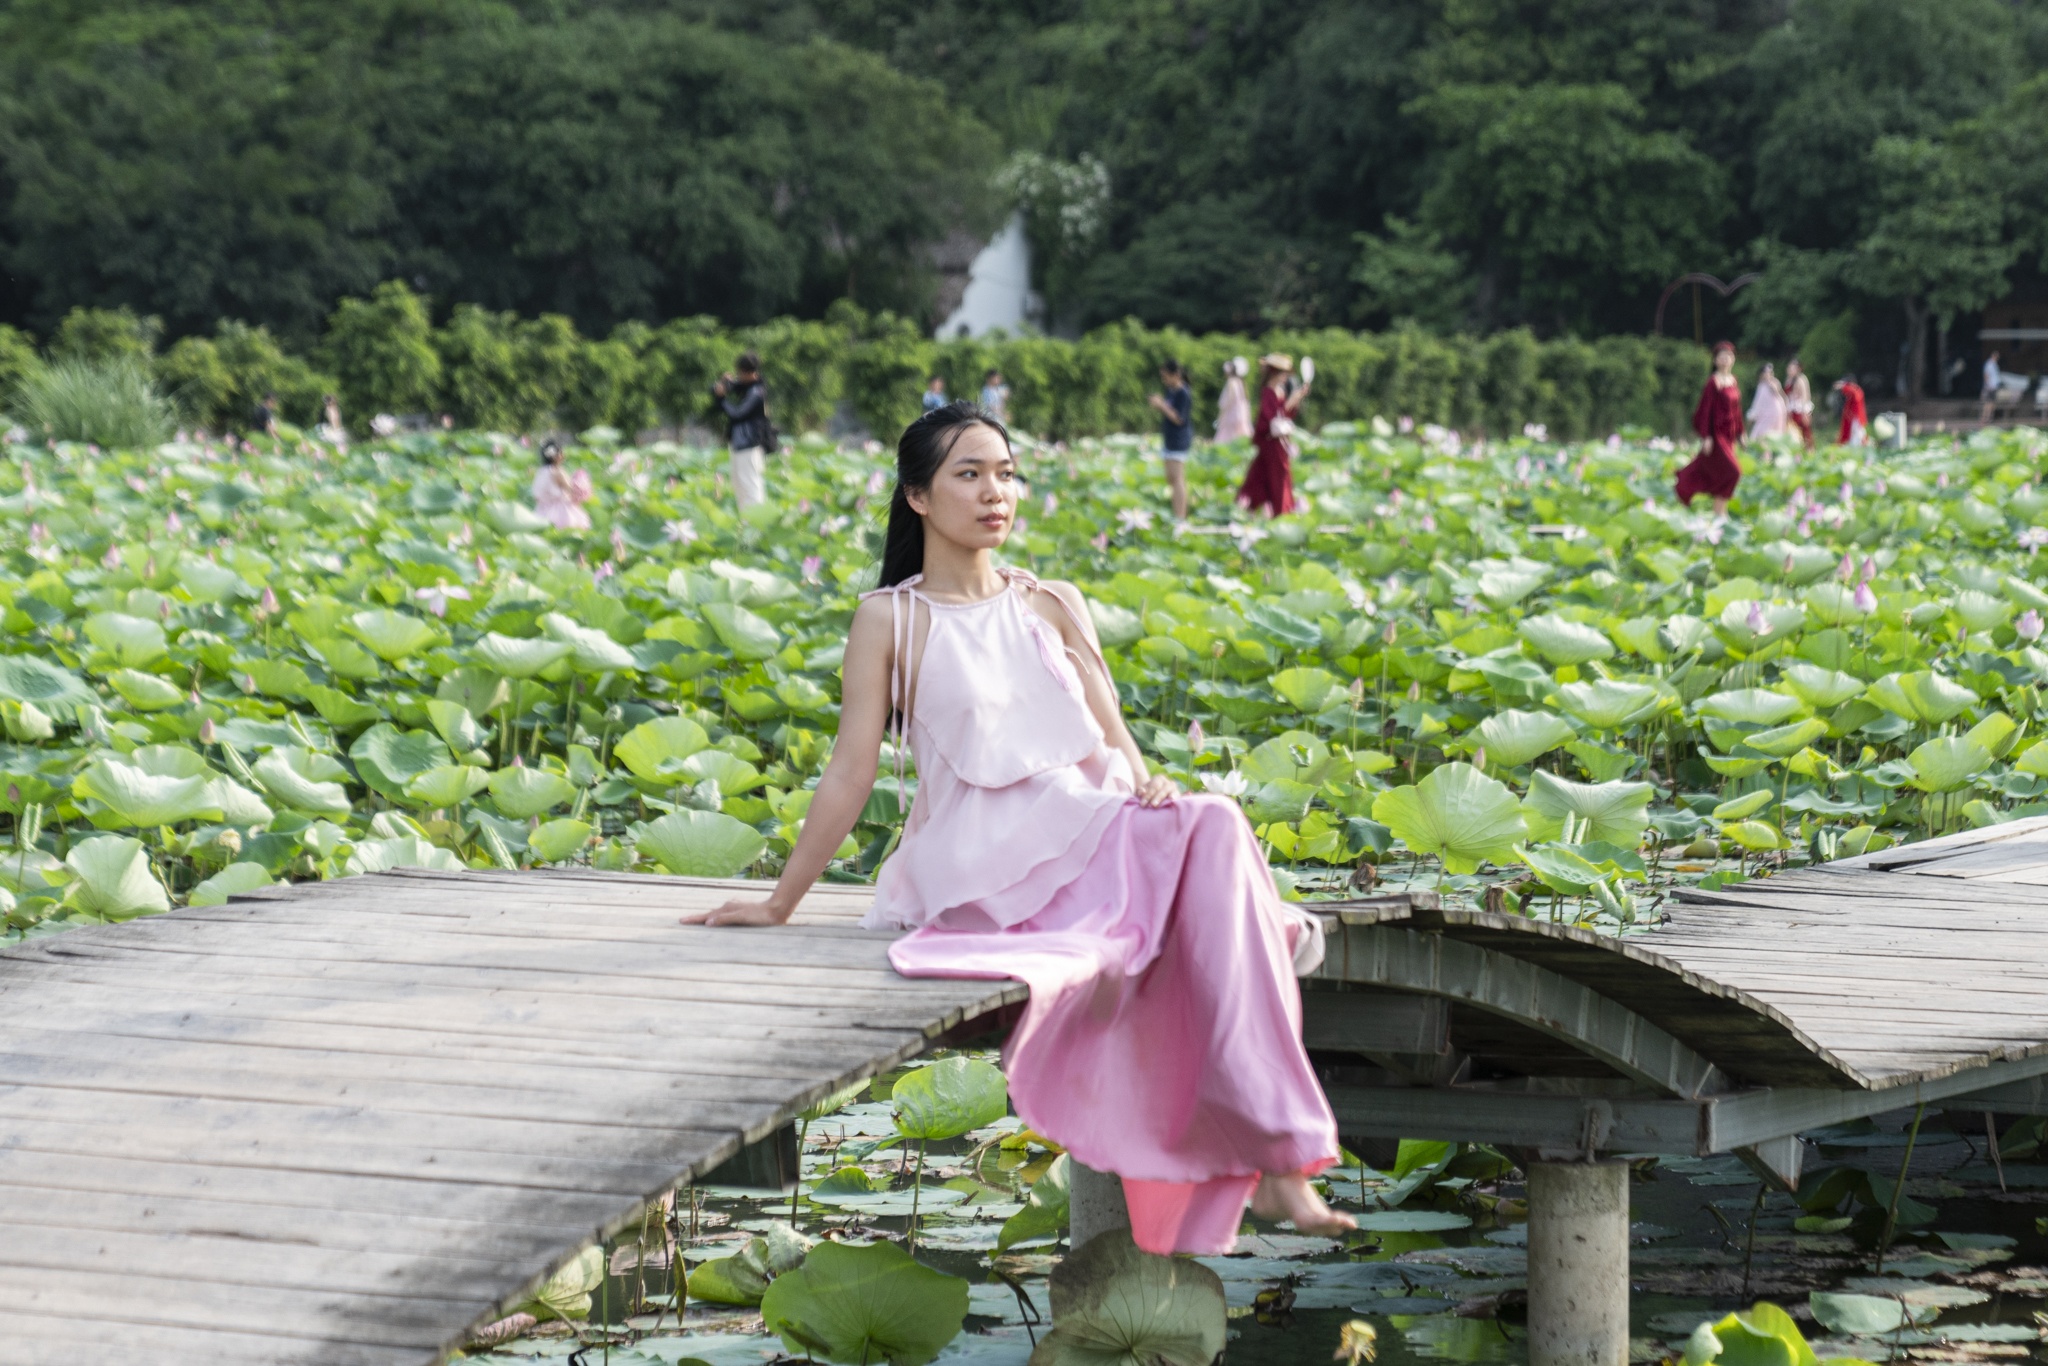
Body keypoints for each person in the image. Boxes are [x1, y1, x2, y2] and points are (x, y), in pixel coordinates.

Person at [680, 404, 1354, 1254]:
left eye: (1005, 472)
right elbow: (851, 772)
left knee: (1210, 823)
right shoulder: (892, 618)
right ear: (918, 497)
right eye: (969, 474)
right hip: (986, 860)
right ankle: (1277, 1157)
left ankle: (1279, 1156)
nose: (995, 492)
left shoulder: (1053, 602)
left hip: (1094, 824)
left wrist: (1152, 787)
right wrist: (781, 903)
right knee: (1222, 858)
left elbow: (1120, 746)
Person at [1677, 341, 1743, 514]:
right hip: (1717, 436)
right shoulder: (1713, 382)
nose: (1725, 360)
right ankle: (1717, 510)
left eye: (1729, 356)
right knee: (1734, 472)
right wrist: (1706, 436)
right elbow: (1705, 411)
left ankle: (1721, 511)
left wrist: (1741, 433)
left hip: (1730, 435)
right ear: (1715, 360)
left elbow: (1737, 410)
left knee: (1724, 473)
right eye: (1721, 357)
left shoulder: (1733, 380)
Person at [1238, 353, 1308, 516]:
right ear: (1275, 373)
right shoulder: (1268, 392)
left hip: (1277, 443)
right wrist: (1294, 398)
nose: (1286, 377)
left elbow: (1285, 415)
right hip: (1270, 443)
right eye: (1284, 373)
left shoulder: (1279, 391)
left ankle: (1259, 509)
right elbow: (1270, 420)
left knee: (1262, 475)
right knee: (1277, 476)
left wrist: (1296, 399)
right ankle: (1280, 510)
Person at [713, 353, 771, 510]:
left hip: (749, 444)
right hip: (740, 444)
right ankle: (746, 523)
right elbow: (727, 388)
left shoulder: (756, 393)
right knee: (739, 485)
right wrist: (724, 384)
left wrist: (722, 399)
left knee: (750, 486)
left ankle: (756, 524)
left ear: (746, 372)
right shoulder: (750, 386)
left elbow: (738, 414)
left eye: (739, 373)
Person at [1146, 360, 1194, 522]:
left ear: (1176, 375)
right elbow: (1169, 409)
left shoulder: (1183, 393)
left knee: (1178, 478)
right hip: (1170, 438)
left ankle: (1181, 517)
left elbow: (1178, 418)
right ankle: (1177, 514)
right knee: (1171, 478)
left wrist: (1161, 405)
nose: (1164, 380)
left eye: (1166, 376)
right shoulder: (1171, 391)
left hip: (1179, 439)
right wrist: (1160, 402)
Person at [531, 439, 593, 530]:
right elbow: (571, 490)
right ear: (555, 456)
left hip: (541, 509)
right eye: (561, 453)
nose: (563, 455)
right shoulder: (558, 472)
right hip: (559, 511)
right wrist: (582, 485)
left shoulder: (541, 471)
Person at [1214, 357, 1252, 443]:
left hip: (1231, 416)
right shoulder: (1241, 383)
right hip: (1241, 415)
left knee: (1226, 438)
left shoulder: (1231, 382)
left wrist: (1221, 413)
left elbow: (1228, 399)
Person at [1746, 362, 1787, 441]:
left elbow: (1781, 395)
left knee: (1774, 433)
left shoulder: (1774, 383)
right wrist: (1753, 415)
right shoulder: (1761, 386)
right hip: (1765, 413)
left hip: (1775, 412)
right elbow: (1758, 402)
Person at [1784, 358, 1814, 450]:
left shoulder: (1801, 379)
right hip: (1791, 409)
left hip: (1800, 409)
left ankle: (1808, 450)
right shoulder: (1788, 380)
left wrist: (1805, 412)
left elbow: (1805, 396)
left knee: (1804, 432)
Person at [1834, 374, 1868, 447]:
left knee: (1857, 434)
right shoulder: (1854, 391)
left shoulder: (1856, 390)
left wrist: (1844, 385)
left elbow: (1854, 394)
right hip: (1852, 416)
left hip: (1856, 416)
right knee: (1853, 434)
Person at [1983, 350, 2003, 423]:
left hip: (1994, 386)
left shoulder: (1994, 364)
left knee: (1992, 403)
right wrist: (1988, 385)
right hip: (1990, 386)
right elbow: (1986, 375)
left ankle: (1990, 417)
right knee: (1988, 402)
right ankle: (1986, 417)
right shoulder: (1989, 364)